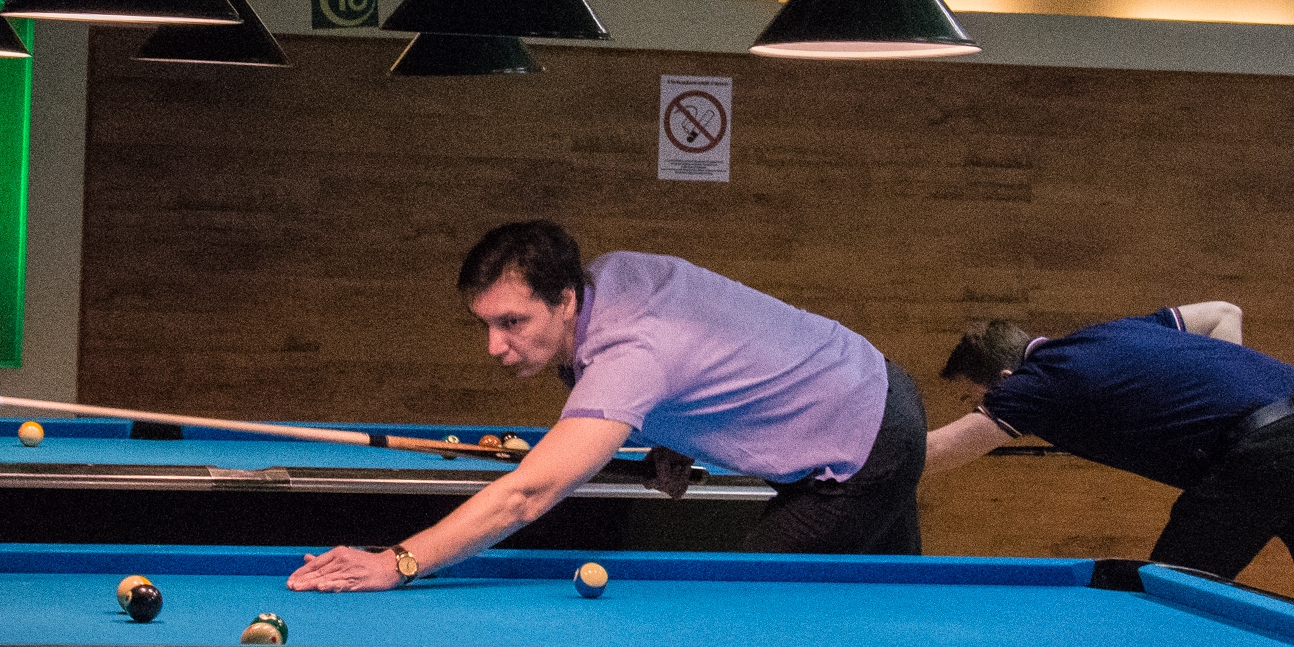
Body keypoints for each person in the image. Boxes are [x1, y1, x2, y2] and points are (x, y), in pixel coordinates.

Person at [287, 220, 926, 591]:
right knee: (886, 604)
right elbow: (710, 331)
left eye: (512, 322)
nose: (495, 346)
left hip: (858, 450)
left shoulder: (629, 354)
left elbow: (525, 496)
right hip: (873, 390)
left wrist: (397, 562)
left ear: (566, 299)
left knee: (745, 603)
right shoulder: (611, 274)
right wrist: (675, 430)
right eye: (486, 324)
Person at [924, 302, 1294, 620]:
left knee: (1168, 599)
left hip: (1263, 452)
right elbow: (1225, 313)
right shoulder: (1112, 332)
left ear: (1004, 377)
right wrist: (1229, 390)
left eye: (972, 399)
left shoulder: (1034, 383)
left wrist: (876, 438)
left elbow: (937, 453)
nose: (977, 408)